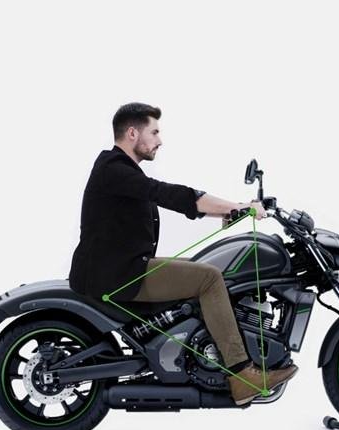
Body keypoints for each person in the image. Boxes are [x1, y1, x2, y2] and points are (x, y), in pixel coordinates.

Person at [68, 102, 298, 405]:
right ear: (133, 133)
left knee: (206, 269)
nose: (160, 140)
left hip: (120, 268)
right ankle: (242, 375)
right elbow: (170, 195)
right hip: (118, 274)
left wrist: (229, 213)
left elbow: (171, 199)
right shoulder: (115, 169)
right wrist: (238, 207)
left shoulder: (117, 169)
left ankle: (204, 352)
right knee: (209, 278)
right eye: (154, 132)